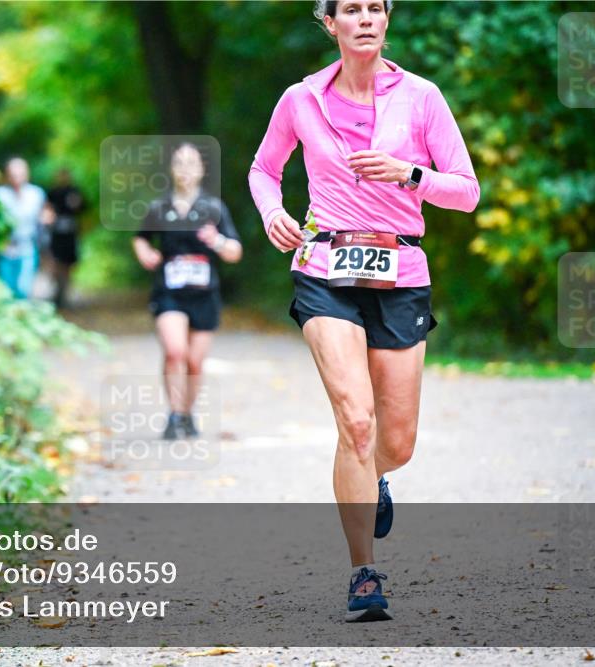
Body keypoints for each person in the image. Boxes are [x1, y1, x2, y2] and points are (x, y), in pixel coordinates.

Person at [248, 0, 479, 622]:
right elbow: (264, 170)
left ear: (387, 19)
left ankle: (374, 476)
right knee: (356, 422)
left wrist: (411, 174)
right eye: (352, 9)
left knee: (394, 443)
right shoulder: (301, 98)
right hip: (325, 269)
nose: (366, 18)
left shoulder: (423, 97)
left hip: (400, 272)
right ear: (330, 23)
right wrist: (273, 211)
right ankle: (363, 572)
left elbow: (466, 189)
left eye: (376, 7)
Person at [133, 143, 243, 440]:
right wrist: (146, 253)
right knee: (175, 352)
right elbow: (141, 239)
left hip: (204, 294)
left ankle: (187, 413)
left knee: (194, 362)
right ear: (172, 169)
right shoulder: (159, 208)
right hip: (169, 291)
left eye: (191, 163)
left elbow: (235, 252)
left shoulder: (214, 209)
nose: (185, 169)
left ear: (201, 169)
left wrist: (216, 240)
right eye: (179, 163)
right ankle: (174, 414)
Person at [0, 157, 50, 299]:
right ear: (7, 175)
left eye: (20, 174)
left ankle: (20, 313)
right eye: (13, 174)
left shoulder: (36, 194)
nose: (16, 178)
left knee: (23, 288)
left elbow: (46, 213)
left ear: (26, 175)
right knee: (5, 288)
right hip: (4, 247)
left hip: (28, 245)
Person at [46, 168, 86, 309]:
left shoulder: (74, 191)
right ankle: (58, 291)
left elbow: (83, 208)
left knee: (68, 264)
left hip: (70, 233)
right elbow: (47, 210)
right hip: (56, 234)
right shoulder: (52, 192)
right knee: (56, 262)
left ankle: (63, 293)